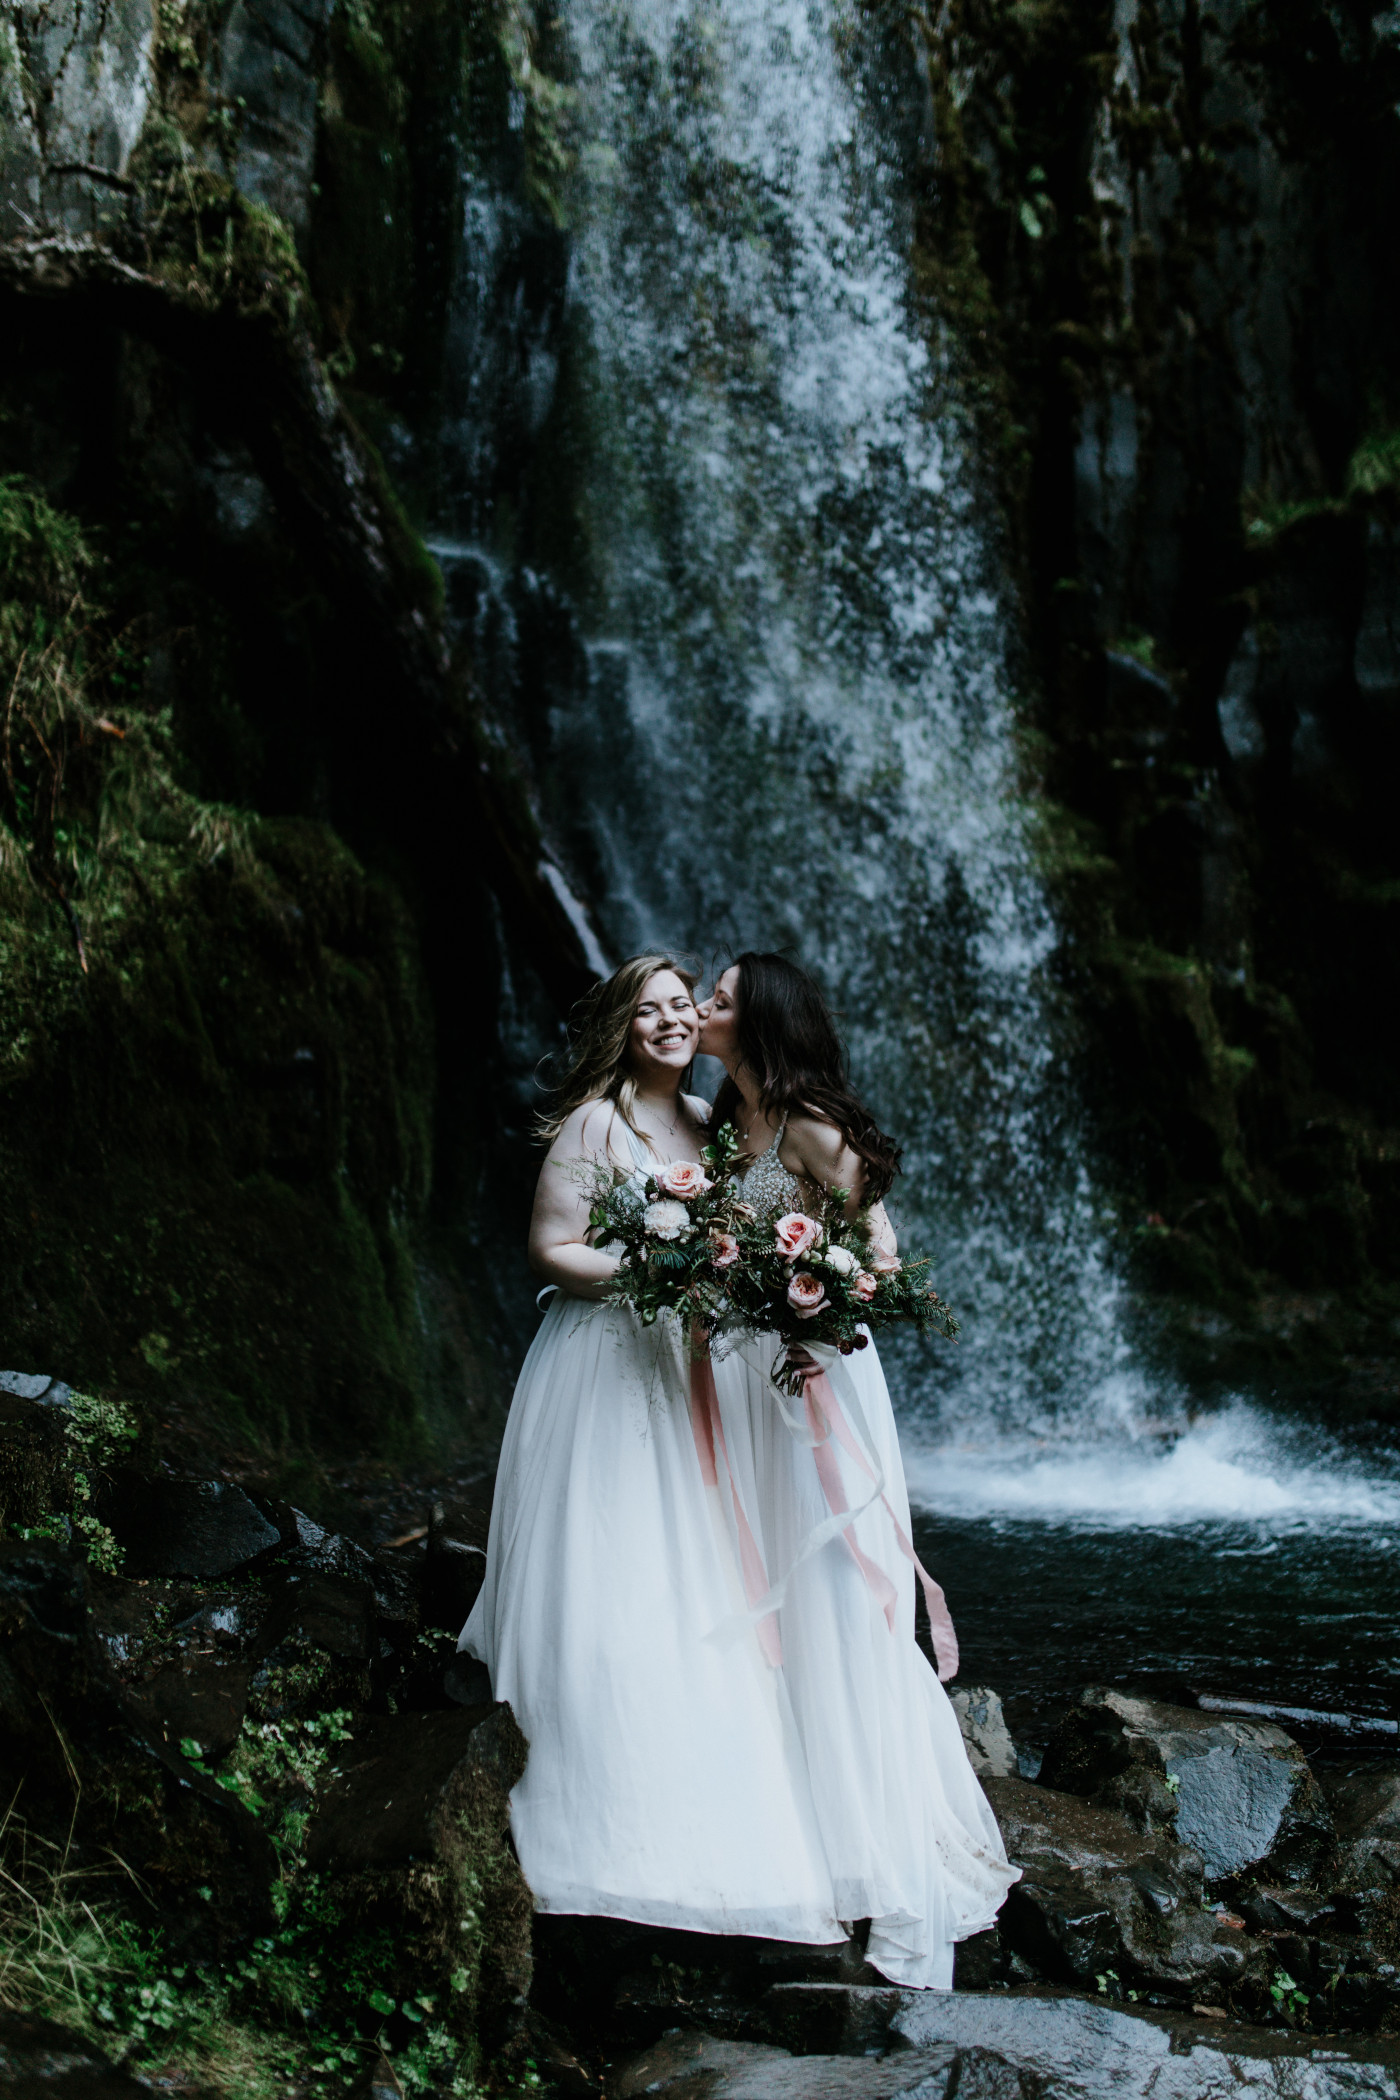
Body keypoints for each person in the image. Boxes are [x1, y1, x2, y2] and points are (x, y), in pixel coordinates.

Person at [459, 954, 845, 1945]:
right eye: (651, 1009)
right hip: (599, 1366)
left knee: (688, 1569)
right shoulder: (600, 1122)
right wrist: (651, 1272)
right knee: (607, 1558)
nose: (673, 1021)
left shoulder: (715, 1124)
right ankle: (575, 1789)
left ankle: (686, 1791)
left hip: (680, 1372)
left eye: (684, 1006)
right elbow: (550, 1246)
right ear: (622, 1027)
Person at [697, 951, 1017, 1988]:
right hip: (744, 1374)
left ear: (759, 1021)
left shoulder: (808, 1126)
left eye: (717, 997)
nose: (701, 1008)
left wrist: (809, 1302)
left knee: (830, 1584)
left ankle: (863, 1835)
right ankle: (778, 1800)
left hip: (814, 1375)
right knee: (757, 1578)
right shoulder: (719, 1118)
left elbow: (875, 1264)